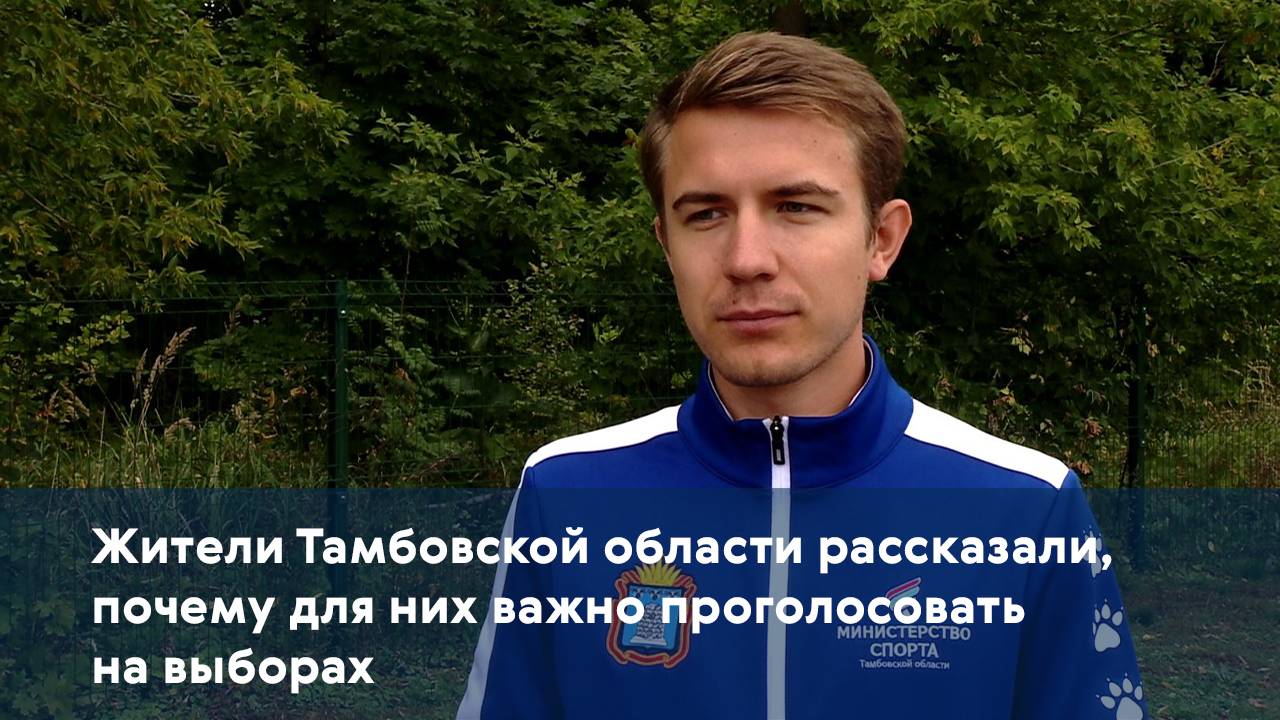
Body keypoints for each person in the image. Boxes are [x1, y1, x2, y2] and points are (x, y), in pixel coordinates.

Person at [457, 31, 1146, 720]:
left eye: (796, 207)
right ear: (667, 244)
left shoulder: (1026, 508)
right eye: (706, 214)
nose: (746, 259)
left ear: (882, 239)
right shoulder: (565, 493)